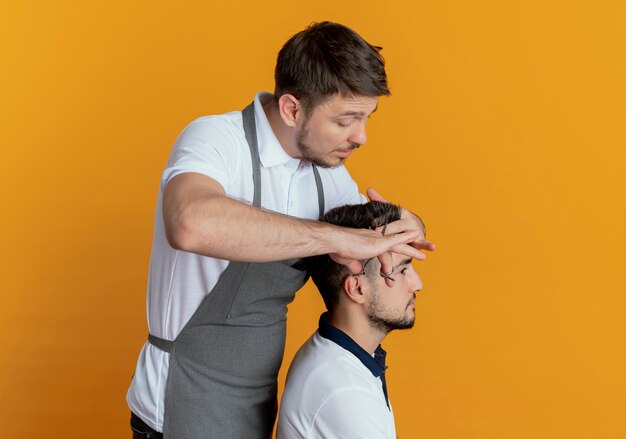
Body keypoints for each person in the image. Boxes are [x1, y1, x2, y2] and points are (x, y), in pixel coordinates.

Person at [126, 21, 434, 439]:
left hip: (256, 408)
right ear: (292, 109)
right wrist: (334, 236)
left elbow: (381, 244)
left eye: (366, 119)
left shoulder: (329, 177)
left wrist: (406, 222)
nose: (360, 137)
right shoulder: (217, 139)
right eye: (347, 120)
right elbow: (189, 222)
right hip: (178, 403)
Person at [277, 201, 424, 439]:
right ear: (356, 289)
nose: (418, 284)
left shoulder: (345, 358)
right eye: (402, 271)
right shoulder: (344, 390)